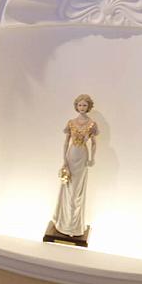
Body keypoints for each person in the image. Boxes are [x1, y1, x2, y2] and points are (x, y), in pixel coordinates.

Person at [52, 93, 98, 238]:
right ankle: (64, 223)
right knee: (68, 186)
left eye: (85, 105)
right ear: (76, 106)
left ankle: (75, 225)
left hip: (82, 157)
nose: (82, 107)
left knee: (77, 190)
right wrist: (64, 159)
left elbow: (94, 143)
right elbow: (66, 142)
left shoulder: (92, 124)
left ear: (88, 106)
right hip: (71, 156)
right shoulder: (71, 123)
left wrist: (92, 158)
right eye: (80, 105)